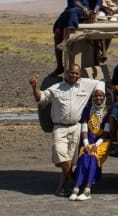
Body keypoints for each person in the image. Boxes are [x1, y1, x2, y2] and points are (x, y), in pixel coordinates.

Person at [30, 65, 101, 197]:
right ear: (66, 73)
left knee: (69, 160)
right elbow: (40, 98)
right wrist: (35, 87)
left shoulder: (86, 84)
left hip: (76, 127)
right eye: (71, 73)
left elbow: (100, 83)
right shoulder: (56, 88)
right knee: (61, 154)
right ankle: (74, 181)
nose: (74, 75)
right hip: (60, 128)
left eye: (76, 73)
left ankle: (61, 188)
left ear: (79, 75)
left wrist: (101, 99)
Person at [51, 0, 102, 75]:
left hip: (88, 11)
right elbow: (72, 0)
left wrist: (95, 10)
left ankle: (66, 40)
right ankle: (59, 65)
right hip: (75, 9)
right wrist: (83, 8)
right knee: (58, 33)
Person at [70, 82, 111, 201]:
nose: (98, 98)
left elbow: (105, 133)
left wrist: (95, 146)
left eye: (100, 96)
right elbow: (84, 130)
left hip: (101, 142)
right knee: (83, 158)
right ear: (92, 98)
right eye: (95, 96)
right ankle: (76, 188)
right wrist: (87, 145)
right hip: (87, 141)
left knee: (92, 158)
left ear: (104, 97)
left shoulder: (107, 112)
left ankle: (87, 190)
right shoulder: (87, 110)